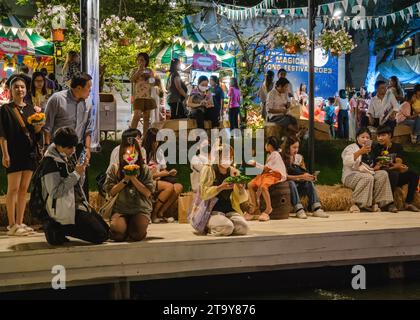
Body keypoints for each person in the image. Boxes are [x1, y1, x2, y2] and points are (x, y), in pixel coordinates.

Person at [40, 127, 109, 245]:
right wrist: (76, 173)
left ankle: (61, 229)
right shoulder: (50, 163)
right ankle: (57, 227)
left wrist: (81, 171)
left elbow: (78, 185)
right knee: (100, 235)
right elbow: (55, 192)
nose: (73, 150)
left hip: (77, 204)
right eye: (70, 147)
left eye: (74, 146)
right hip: (63, 210)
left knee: (107, 231)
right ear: (59, 146)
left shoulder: (66, 156)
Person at [0, 77, 44, 236]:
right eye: (16, 87)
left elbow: (36, 134)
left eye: (22, 87)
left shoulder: (33, 110)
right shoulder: (6, 109)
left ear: (26, 90)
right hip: (14, 153)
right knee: (13, 189)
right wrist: (5, 154)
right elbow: (2, 134)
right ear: (11, 90)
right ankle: (11, 225)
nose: (20, 90)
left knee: (24, 189)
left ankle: (19, 222)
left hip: (29, 153)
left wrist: (39, 127)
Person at [44, 72, 94, 199]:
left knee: (81, 179)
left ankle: (81, 208)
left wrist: (87, 148)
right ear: (78, 88)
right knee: (61, 181)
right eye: (88, 87)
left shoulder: (88, 103)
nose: (90, 90)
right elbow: (47, 126)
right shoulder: (57, 99)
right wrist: (47, 146)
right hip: (60, 148)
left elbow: (88, 127)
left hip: (79, 148)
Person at [104, 131, 155, 242]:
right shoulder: (115, 168)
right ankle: (123, 227)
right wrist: (125, 179)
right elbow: (111, 192)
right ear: (122, 153)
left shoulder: (144, 169)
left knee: (137, 234)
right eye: (127, 152)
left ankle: (133, 227)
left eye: (134, 152)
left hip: (140, 208)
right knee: (117, 235)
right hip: (120, 209)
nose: (130, 156)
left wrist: (133, 178)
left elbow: (148, 193)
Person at [198, 144, 249, 236]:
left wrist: (241, 189)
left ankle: (223, 225)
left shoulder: (234, 172)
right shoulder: (209, 170)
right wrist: (220, 187)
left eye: (230, 156)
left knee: (244, 228)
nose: (228, 159)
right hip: (212, 211)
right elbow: (203, 194)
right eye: (225, 156)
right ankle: (209, 227)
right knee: (227, 227)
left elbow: (242, 199)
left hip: (229, 209)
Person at [341, 127, 396, 213]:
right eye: (362, 137)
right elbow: (346, 162)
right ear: (357, 138)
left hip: (368, 173)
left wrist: (379, 164)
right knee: (368, 177)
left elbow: (370, 166)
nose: (365, 139)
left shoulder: (370, 150)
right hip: (351, 176)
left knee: (383, 174)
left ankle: (377, 202)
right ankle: (356, 203)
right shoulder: (351, 148)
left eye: (367, 138)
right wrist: (360, 152)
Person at [371, 125, 419, 212]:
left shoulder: (397, 147)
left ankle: (408, 203)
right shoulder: (375, 148)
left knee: (414, 175)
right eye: (378, 136)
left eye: (383, 135)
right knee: (393, 173)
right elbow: (377, 165)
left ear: (389, 135)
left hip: (395, 175)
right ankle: (390, 204)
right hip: (383, 176)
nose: (380, 138)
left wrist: (397, 165)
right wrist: (395, 165)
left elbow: (399, 161)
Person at [282, 136, 329, 218]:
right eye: (294, 147)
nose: (296, 150)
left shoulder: (298, 158)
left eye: (297, 147)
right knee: (291, 183)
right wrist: (301, 176)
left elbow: (303, 172)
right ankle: (299, 210)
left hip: (298, 184)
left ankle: (316, 209)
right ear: (287, 147)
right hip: (286, 186)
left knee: (309, 183)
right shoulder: (281, 157)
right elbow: (284, 176)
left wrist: (309, 177)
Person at [143, 127, 183, 223]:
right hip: (147, 180)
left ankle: (161, 212)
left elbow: (163, 170)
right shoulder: (143, 152)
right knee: (169, 187)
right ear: (149, 141)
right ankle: (153, 214)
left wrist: (169, 172)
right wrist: (160, 174)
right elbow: (145, 174)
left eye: (158, 142)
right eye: (154, 141)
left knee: (178, 187)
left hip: (159, 180)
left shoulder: (159, 152)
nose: (156, 144)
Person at [247, 136, 288, 221]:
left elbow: (266, 168)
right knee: (250, 184)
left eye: (266, 144)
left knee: (263, 186)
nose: (265, 145)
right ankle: (254, 208)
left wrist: (255, 164)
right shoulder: (270, 155)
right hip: (268, 174)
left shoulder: (275, 154)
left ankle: (268, 208)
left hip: (275, 175)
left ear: (270, 145)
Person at [130, 52, 159, 134]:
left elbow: (153, 83)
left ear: (146, 61)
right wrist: (139, 71)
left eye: (142, 60)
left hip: (148, 97)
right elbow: (131, 80)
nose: (140, 62)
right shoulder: (135, 70)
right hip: (138, 97)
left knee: (146, 118)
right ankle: (131, 135)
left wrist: (150, 77)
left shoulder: (150, 71)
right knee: (137, 116)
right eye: (138, 60)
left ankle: (145, 138)